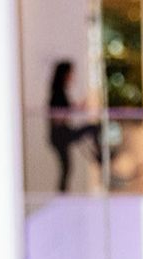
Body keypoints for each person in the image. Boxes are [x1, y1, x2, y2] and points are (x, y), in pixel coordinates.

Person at [48, 60, 102, 193]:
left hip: (61, 133)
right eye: (70, 73)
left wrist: (78, 107)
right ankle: (99, 155)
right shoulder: (57, 93)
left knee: (66, 167)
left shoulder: (60, 92)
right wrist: (71, 111)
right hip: (60, 134)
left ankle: (62, 195)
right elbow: (57, 117)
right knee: (66, 167)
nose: (72, 76)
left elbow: (66, 110)